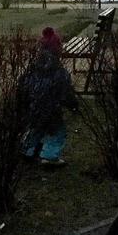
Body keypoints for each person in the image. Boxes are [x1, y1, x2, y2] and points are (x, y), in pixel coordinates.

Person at [22, 27, 77, 167]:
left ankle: (28, 150)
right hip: (52, 108)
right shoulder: (59, 72)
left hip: (34, 106)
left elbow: (25, 84)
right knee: (57, 131)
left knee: (36, 128)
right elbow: (65, 92)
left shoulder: (34, 68)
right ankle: (50, 156)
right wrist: (73, 104)